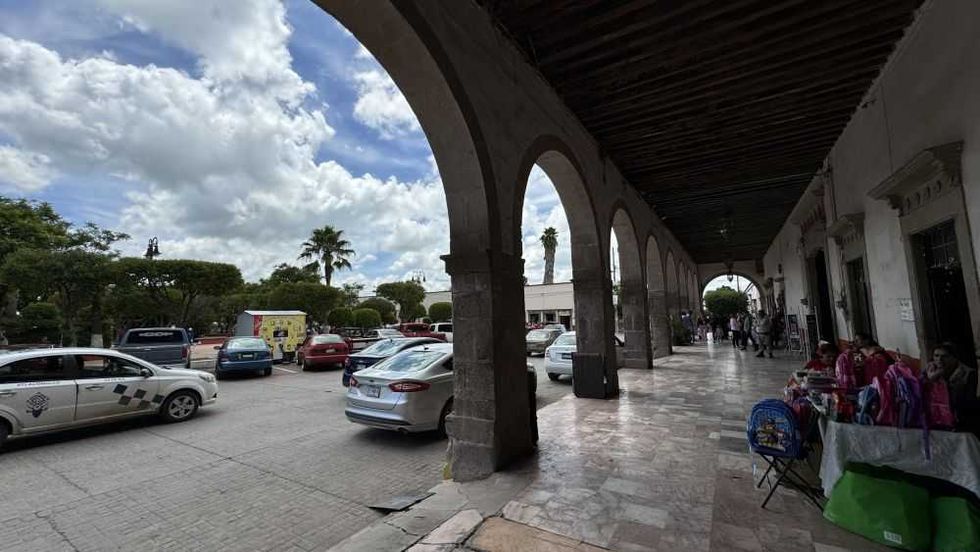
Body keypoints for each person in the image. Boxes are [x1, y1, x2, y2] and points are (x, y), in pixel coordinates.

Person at [925, 342, 980, 437]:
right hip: (941, 426)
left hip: (965, 426)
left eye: (945, 356)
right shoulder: (932, 372)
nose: (939, 360)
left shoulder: (969, 374)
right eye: (936, 356)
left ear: (954, 358)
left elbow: (966, 404)